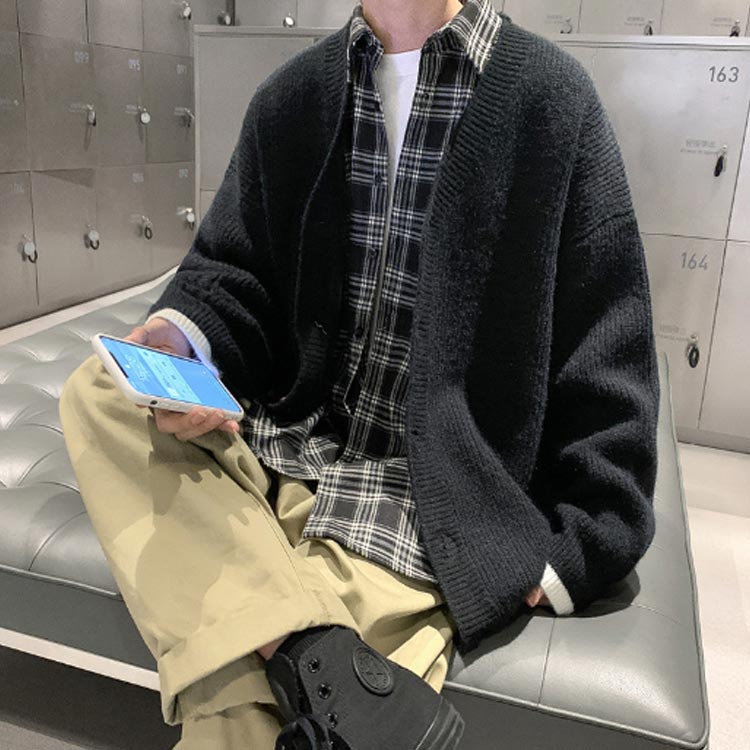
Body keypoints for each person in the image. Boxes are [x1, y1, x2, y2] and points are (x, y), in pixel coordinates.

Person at [59, 0, 660, 748]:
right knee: (101, 390)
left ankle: (279, 641)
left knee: (233, 706)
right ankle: (307, 646)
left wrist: (583, 541)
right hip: (273, 457)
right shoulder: (291, 96)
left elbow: (607, 339)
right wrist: (184, 341)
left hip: (423, 513)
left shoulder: (552, 101)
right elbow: (232, 271)